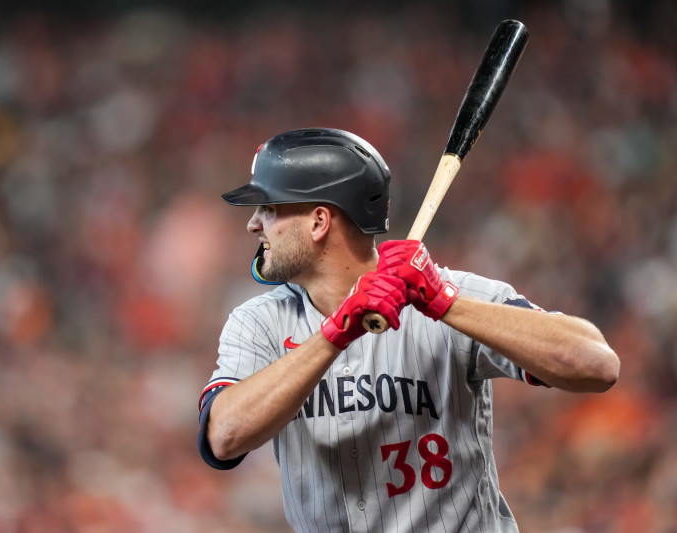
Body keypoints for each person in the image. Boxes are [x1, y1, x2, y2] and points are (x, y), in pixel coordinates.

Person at [197, 128, 619, 532]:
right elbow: (223, 436)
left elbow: (597, 365)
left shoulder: (447, 292)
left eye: (269, 208)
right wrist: (335, 334)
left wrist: (445, 303)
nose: (254, 224)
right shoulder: (259, 322)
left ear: (319, 221)